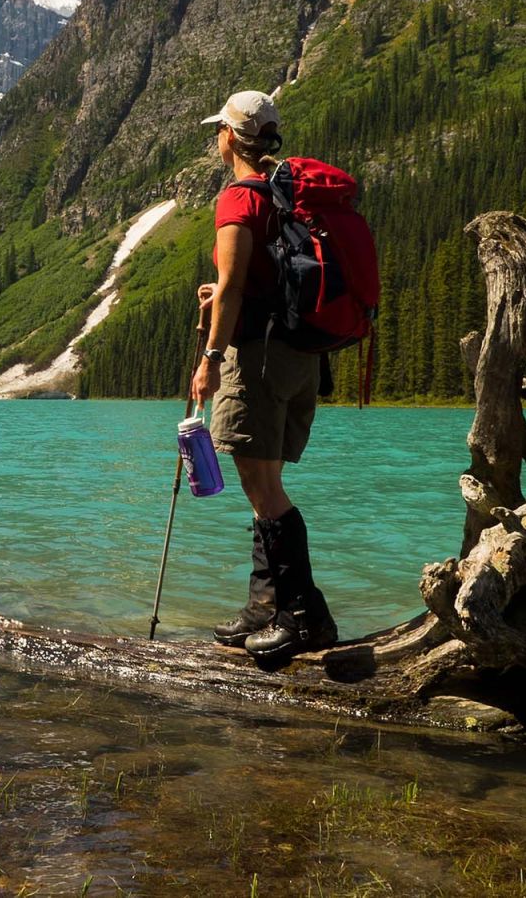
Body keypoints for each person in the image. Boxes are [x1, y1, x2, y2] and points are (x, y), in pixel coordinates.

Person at [191, 90, 338, 667]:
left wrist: (209, 357)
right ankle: (265, 604)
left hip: (256, 360)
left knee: (262, 488)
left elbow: (229, 289)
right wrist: (231, 291)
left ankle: (305, 616)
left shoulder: (236, 200)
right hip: (300, 357)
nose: (217, 138)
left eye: (219, 130)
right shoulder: (288, 194)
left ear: (230, 136)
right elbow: (265, 278)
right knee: (265, 482)